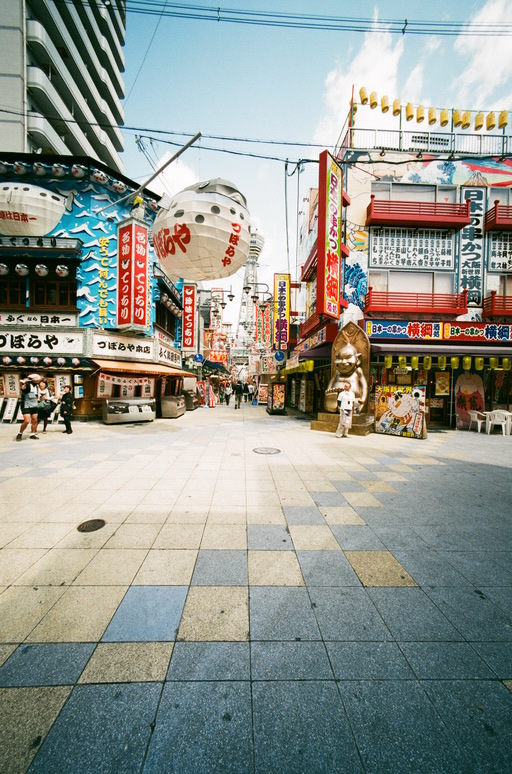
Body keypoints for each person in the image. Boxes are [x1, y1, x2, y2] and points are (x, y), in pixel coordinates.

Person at [16, 374, 41, 441]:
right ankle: (20, 433)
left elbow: (36, 395)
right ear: (33, 379)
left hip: (34, 404)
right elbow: (23, 389)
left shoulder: (36, 386)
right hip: (26, 404)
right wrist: (24, 384)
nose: (38, 380)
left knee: (35, 419)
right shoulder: (26, 384)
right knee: (27, 420)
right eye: (37, 379)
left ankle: (32, 434)